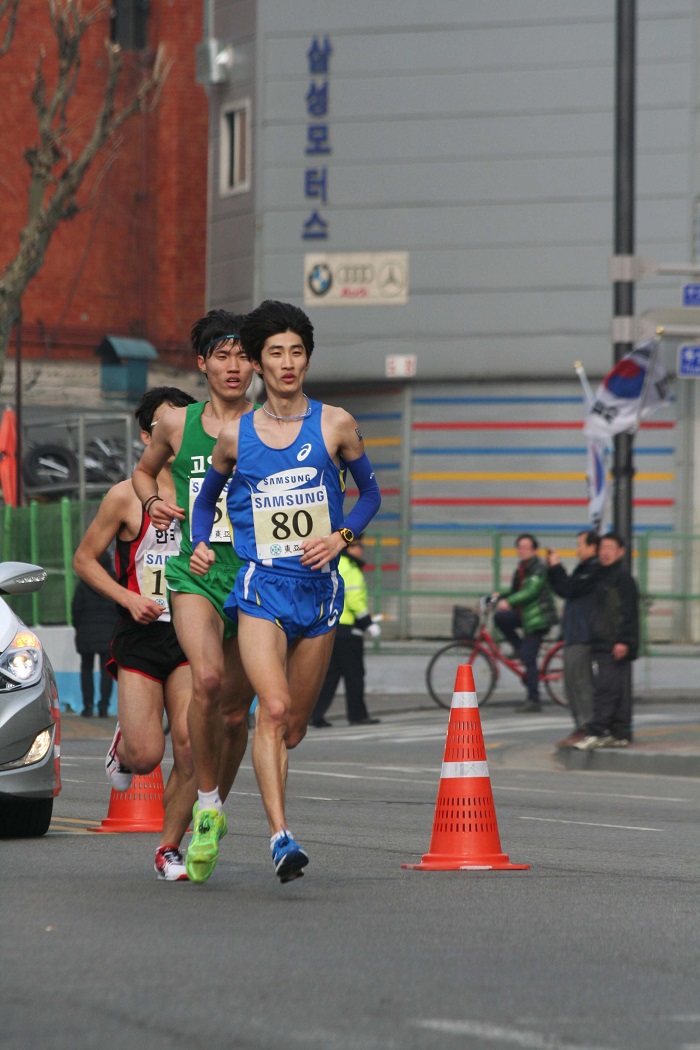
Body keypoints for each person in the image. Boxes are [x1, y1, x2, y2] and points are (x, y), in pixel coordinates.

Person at [189, 299, 382, 884]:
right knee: (268, 709)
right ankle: (279, 837)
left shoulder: (335, 424)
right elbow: (204, 504)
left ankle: (241, 815)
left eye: (297, 351)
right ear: (258, 362)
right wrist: (200, 542)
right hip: (260, 590)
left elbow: (371, 494)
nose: (288, 362)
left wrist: (342, 536)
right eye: (276, 352)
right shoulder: (233, 436)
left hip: (318, 595)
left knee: (292, 728)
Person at [132, 310, 257, 884]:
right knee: (205, 682)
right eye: (222, 356)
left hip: (254, 579)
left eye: (242, 356)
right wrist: (154, 502)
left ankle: (209, 815)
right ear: (202, 362)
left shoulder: (273, 423)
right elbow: (143, 471)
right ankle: (194, 814)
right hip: (195, 572)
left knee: (234, 717)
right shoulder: (178, 425)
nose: (234, 367)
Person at [73, 387, 198, 881]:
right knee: (145, 756)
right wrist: (128, 599)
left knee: (190, 746)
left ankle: (170, 848)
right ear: (148, 437)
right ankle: (123, 744)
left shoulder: (208, 487)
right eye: (167, 429)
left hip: (192, 633)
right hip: (141, 636)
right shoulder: (125, 496)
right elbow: (85, 559)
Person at [573, 531, 639, 750]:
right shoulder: (599, 575)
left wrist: (624, 641)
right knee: (616, 688)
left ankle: (596, 732)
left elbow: (629, 613)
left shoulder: (623, 579)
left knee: (606, 688)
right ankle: (619, 733)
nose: (605, 553)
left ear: (620, 552)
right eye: (602, 548)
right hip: (602, 641)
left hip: (615, 643)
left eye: (610, 548)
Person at [310, 533, 381, 727]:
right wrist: (368, 623)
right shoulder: (350, 568)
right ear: (349, 548)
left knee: (331, 675)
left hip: (334, 627)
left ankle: (315, 714)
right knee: (355, 674)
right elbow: (354, 598)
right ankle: (357, 715)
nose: (361, 550)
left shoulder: (338, 565)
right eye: (358, 546)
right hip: (349, 631)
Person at [546, 530, 600, 748]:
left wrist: (557, 567)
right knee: (572, 684)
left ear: (592, 547)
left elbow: (569, 588)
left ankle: (587, 726)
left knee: (580, 682)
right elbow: (563, 589)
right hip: (574, 633)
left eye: (580, 545)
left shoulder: (594, 569)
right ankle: (581, 725)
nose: (578, 550)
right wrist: (553, 568)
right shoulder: (584, 568)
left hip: (583, 634)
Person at [493, 533, 558, 713]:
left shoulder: (537, 567)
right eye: (519, 547)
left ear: (534, 550)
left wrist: (509, 602)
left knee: (529, 657)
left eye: (526, 548)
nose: (522, 551)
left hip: (538, 618)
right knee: (500, 618)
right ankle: (519, 648)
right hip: (526, 615)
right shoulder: (522, 568)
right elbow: (517, 590)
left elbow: (531, 590)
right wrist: (501, 595)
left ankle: (534, 699)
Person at [71, 550, 119, 718]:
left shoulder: (85, 582)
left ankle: (87, 706)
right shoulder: (115, 581)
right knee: (107, 670)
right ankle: (104, 707)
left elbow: (76, 609)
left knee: (86, 668)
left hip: (86, 633)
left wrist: (80, 628)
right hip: (109, 632)